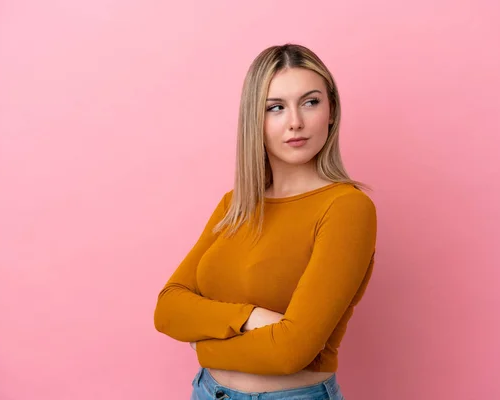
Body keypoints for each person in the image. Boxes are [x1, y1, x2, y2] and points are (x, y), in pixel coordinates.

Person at [154, 43, 377, 400]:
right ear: (254, 119)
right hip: (208, 392)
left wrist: (202, 346)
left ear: (331, 110)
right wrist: (252, 316)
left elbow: (291, 351)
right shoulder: (236, 204)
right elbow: (168, 308)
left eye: (310, 102)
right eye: (275, 107)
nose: (295, 122)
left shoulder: (346, 207)